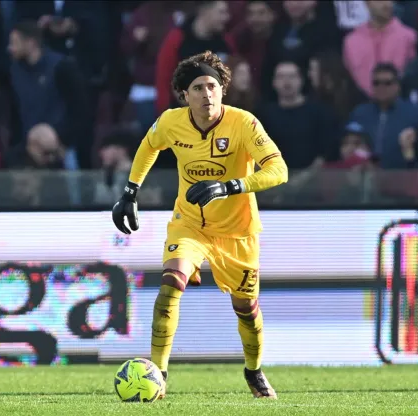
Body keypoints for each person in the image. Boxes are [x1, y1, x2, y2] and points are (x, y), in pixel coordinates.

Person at [111, 51, 288, 400]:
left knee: (247, 311)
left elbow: (278, 170)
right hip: (189, 224)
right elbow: (148, 147)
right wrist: (130, 193)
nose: (207, 94)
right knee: (170, 286)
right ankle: (158, 374)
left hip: (238, 231)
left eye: (212, 86)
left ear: (222, 90)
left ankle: (253, 371)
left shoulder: (243, 123)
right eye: (198, 87)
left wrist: (230, 186)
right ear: (184, 95)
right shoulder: (170, 123)